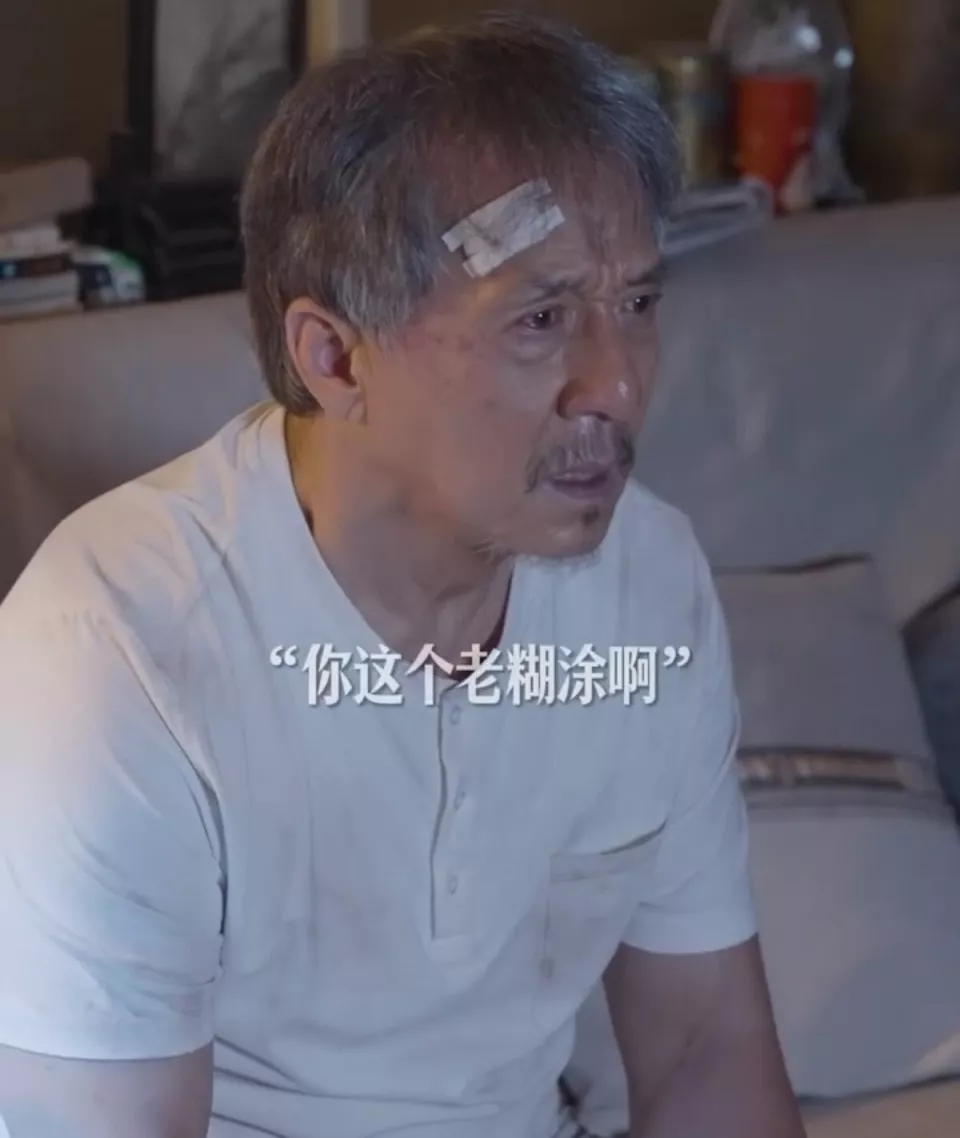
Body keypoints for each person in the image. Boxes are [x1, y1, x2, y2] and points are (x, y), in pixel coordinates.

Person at [0, 14, 805, 1138]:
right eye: (541, 318)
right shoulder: (112, 648)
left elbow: (704, 1045)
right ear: (336, 359)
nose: (617, 386)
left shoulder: (648, 580)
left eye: (636, 305)